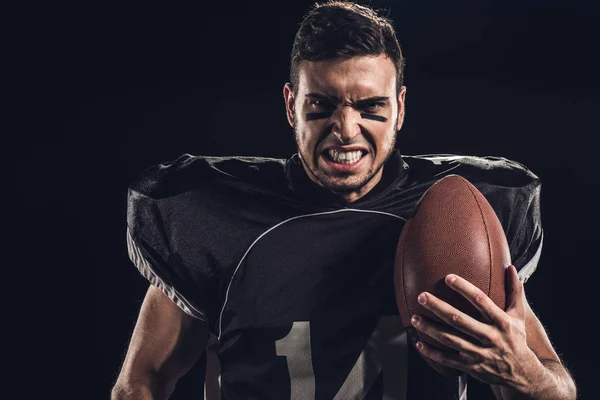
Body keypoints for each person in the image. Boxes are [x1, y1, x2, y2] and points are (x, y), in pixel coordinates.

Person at [111, 1, 577, 399]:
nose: (346, 129)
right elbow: (140, 382)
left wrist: (522, 371)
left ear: (400, 108)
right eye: (322, 105)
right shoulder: (215, 217)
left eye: (371, 106)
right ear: (291, 104)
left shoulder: (457, 213)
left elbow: (555, 387)